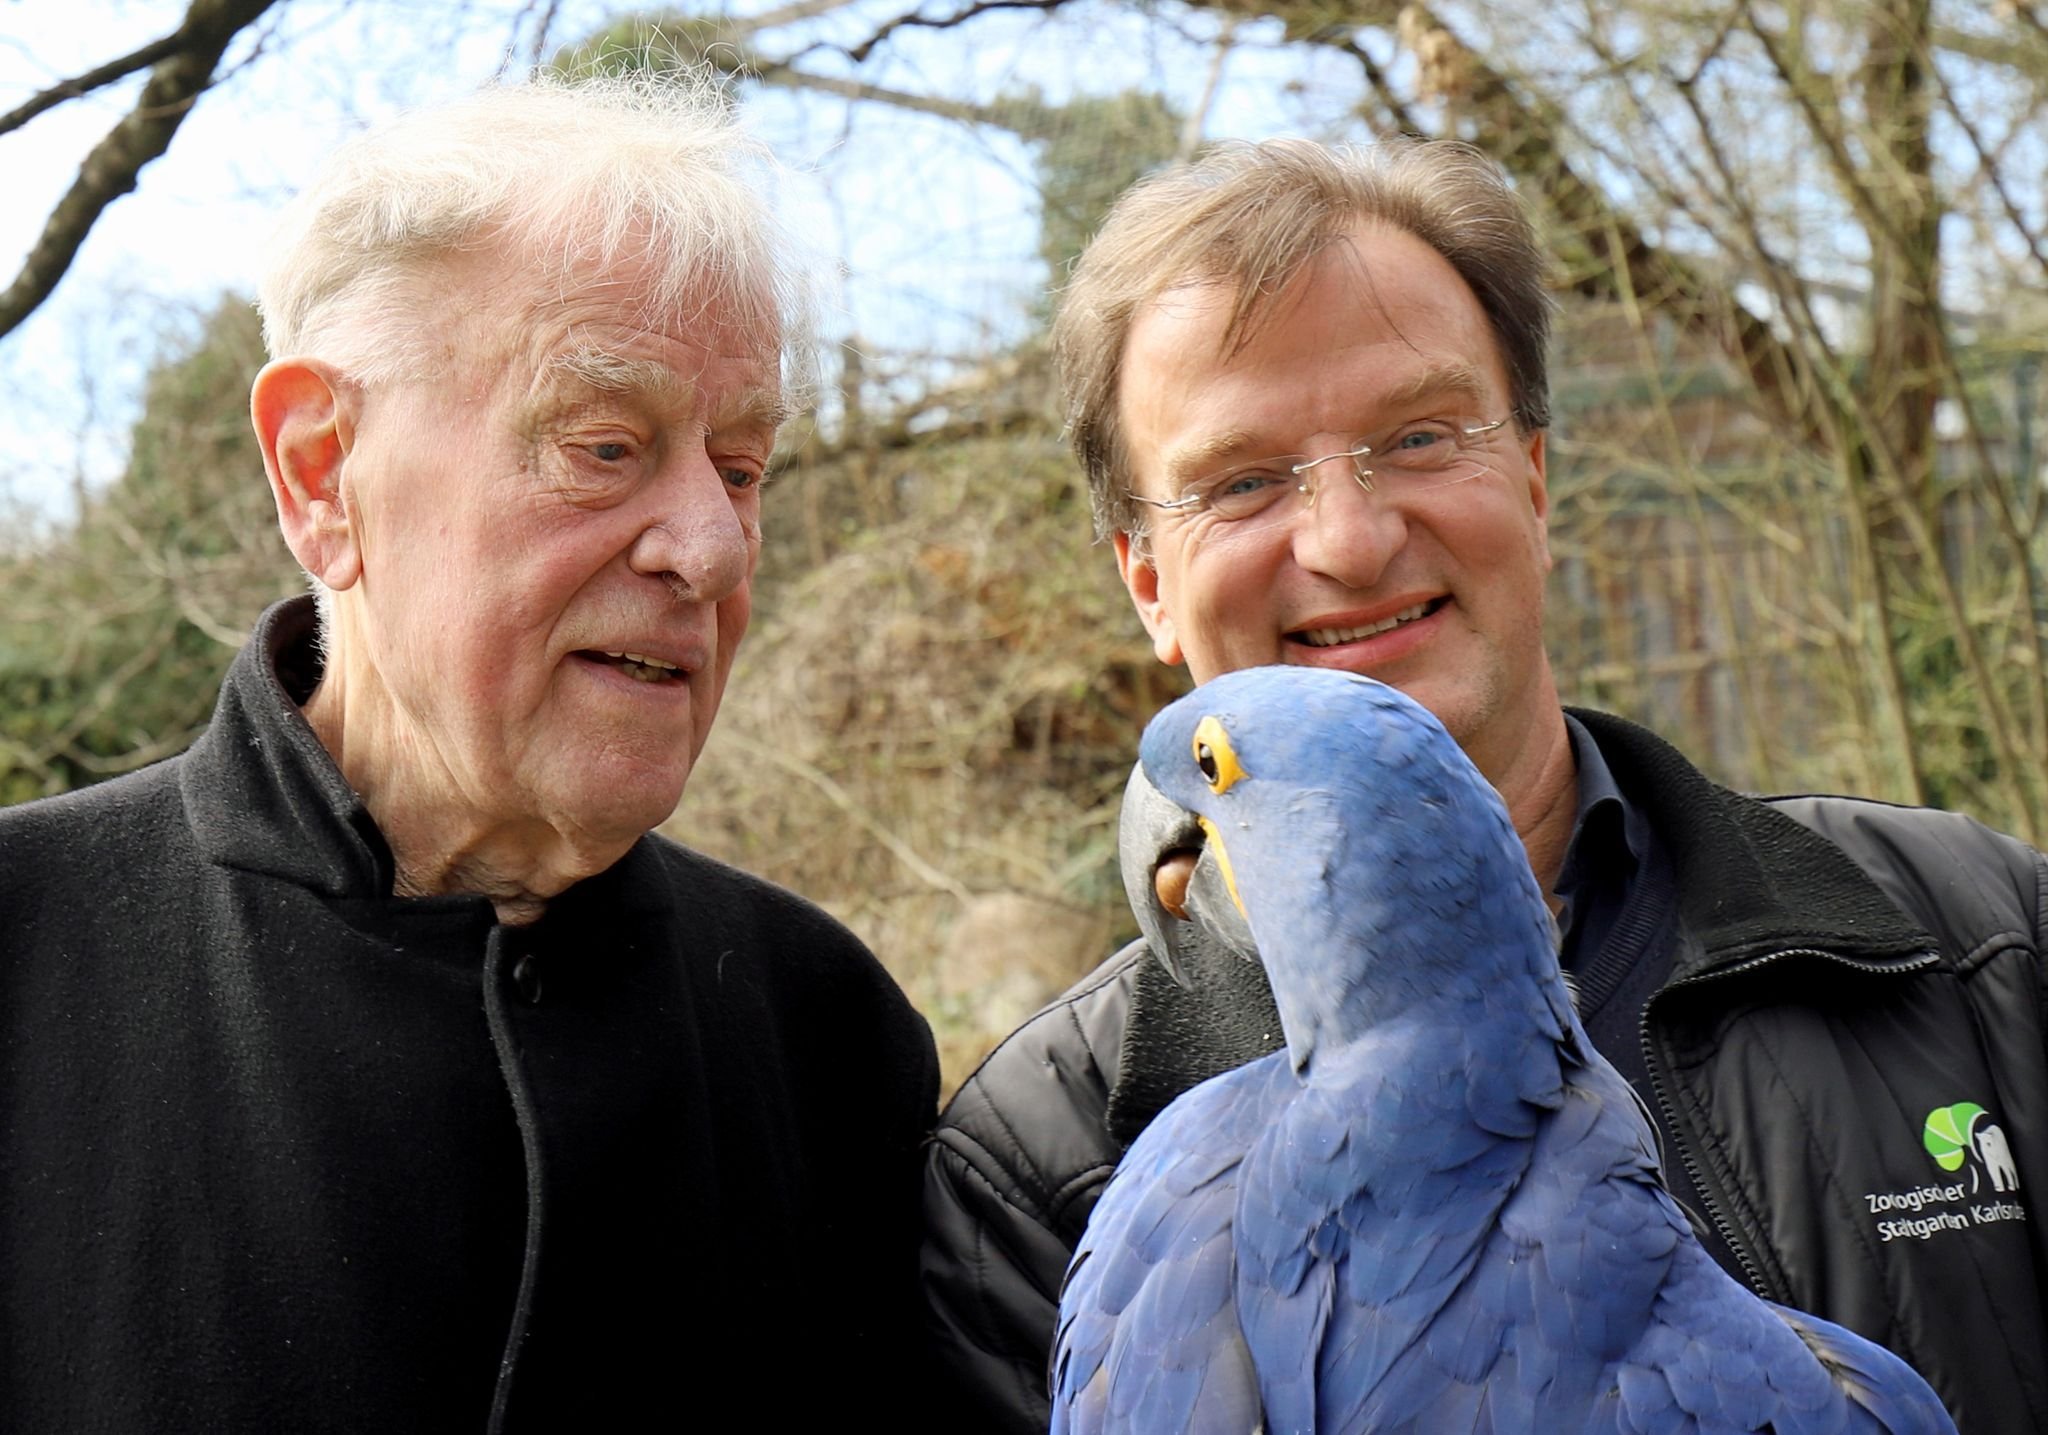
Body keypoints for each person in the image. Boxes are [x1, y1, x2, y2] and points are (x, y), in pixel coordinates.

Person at [921, 137, 2047, 1433]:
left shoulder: (1983, 949)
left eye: (1418, 435)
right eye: (1241, 482)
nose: (1349, 540)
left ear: (1535, 480)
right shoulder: (1041, 1166)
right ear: (1146, 582)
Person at [0, 74, 938, 1431]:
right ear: (323, 474)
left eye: (742, 469)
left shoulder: (828, 1034)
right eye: (604, 447)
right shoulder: (26, 954)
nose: (716, 549)